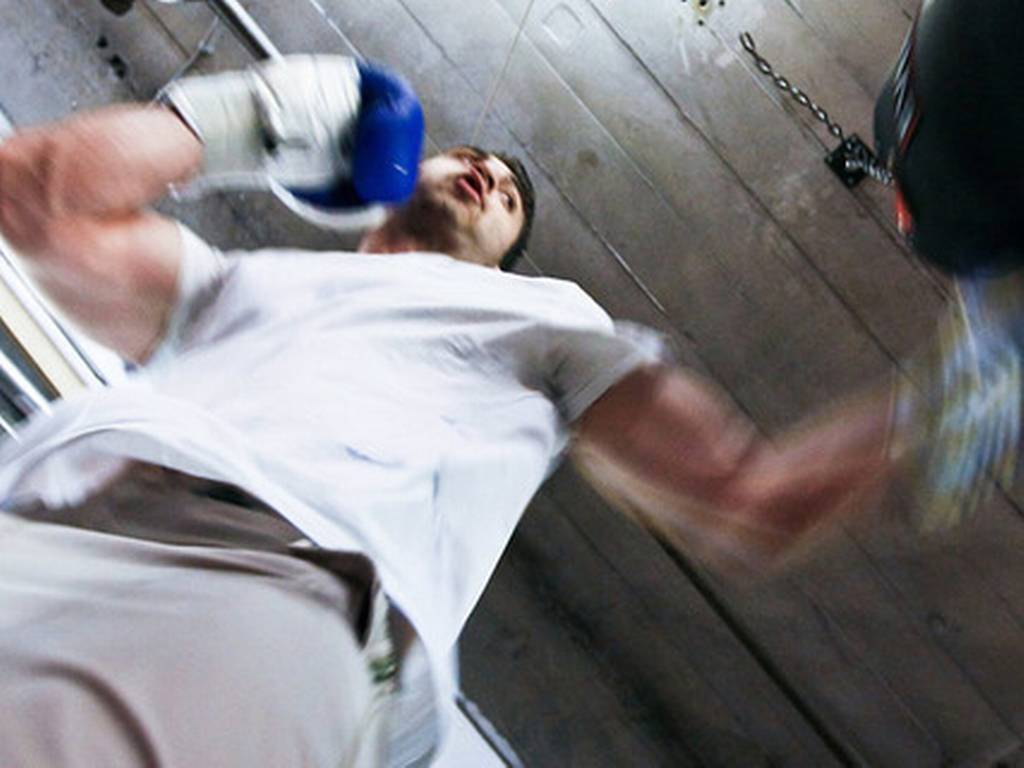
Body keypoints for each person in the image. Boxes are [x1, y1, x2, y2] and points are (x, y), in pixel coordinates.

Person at [0, 53, 896, 766]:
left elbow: (748, 497)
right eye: (475, 160)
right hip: (44, 522)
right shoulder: (236, 283)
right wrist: (254, 117)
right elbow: (32, 196)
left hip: (267, 595)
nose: (489, 175)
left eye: (508, 196)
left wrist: (952, 398)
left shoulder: (548, 320)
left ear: (504, 255)